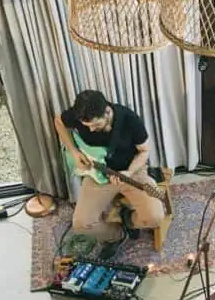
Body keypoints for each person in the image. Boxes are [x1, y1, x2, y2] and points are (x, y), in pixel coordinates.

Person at [54, 89, 165, 257]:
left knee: (155, 217)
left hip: (132, 171)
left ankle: (128, 219)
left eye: (96, 125)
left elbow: (144, 151)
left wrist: (129, 172)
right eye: (87, 126)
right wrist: (74, 152)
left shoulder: (130, 120)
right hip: (98, 174)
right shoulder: (79, 116)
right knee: (81, 224)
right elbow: (58, 121)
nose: (91, 130)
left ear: (107, 111)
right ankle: (117, 235)